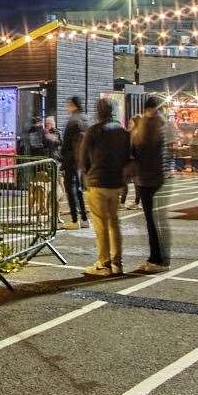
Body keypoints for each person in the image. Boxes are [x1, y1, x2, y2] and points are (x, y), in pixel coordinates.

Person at [78, 97, 130, 277]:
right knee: (114, 223)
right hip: (116, 182)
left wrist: (85, 174)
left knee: (101, 225)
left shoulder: (94, 131)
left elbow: (83, 158)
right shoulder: (123, 131)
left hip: (98, 180)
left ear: (99, 112)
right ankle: (117, 263)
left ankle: (104, 264)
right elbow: (128, 156)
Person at [130, 95, 175, 274]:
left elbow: (138, 150)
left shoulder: (147, 125)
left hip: (148, 178)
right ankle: (162, 258)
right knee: (160, 220)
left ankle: (156, 259)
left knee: (152, 221)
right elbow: (169, 151)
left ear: (147, 108)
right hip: (162, 177)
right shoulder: (165, 125)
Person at [60, 96, 86, 230]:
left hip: (71, 159)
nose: (67, 106)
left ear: (73, 105)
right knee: (79, 188)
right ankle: (85, 219)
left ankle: (75, 220)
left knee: (70, 188)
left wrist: (62, 158)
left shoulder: (72, 121)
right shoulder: (84, 119)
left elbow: (66, 144)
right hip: (80, 160)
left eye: (69, 104)